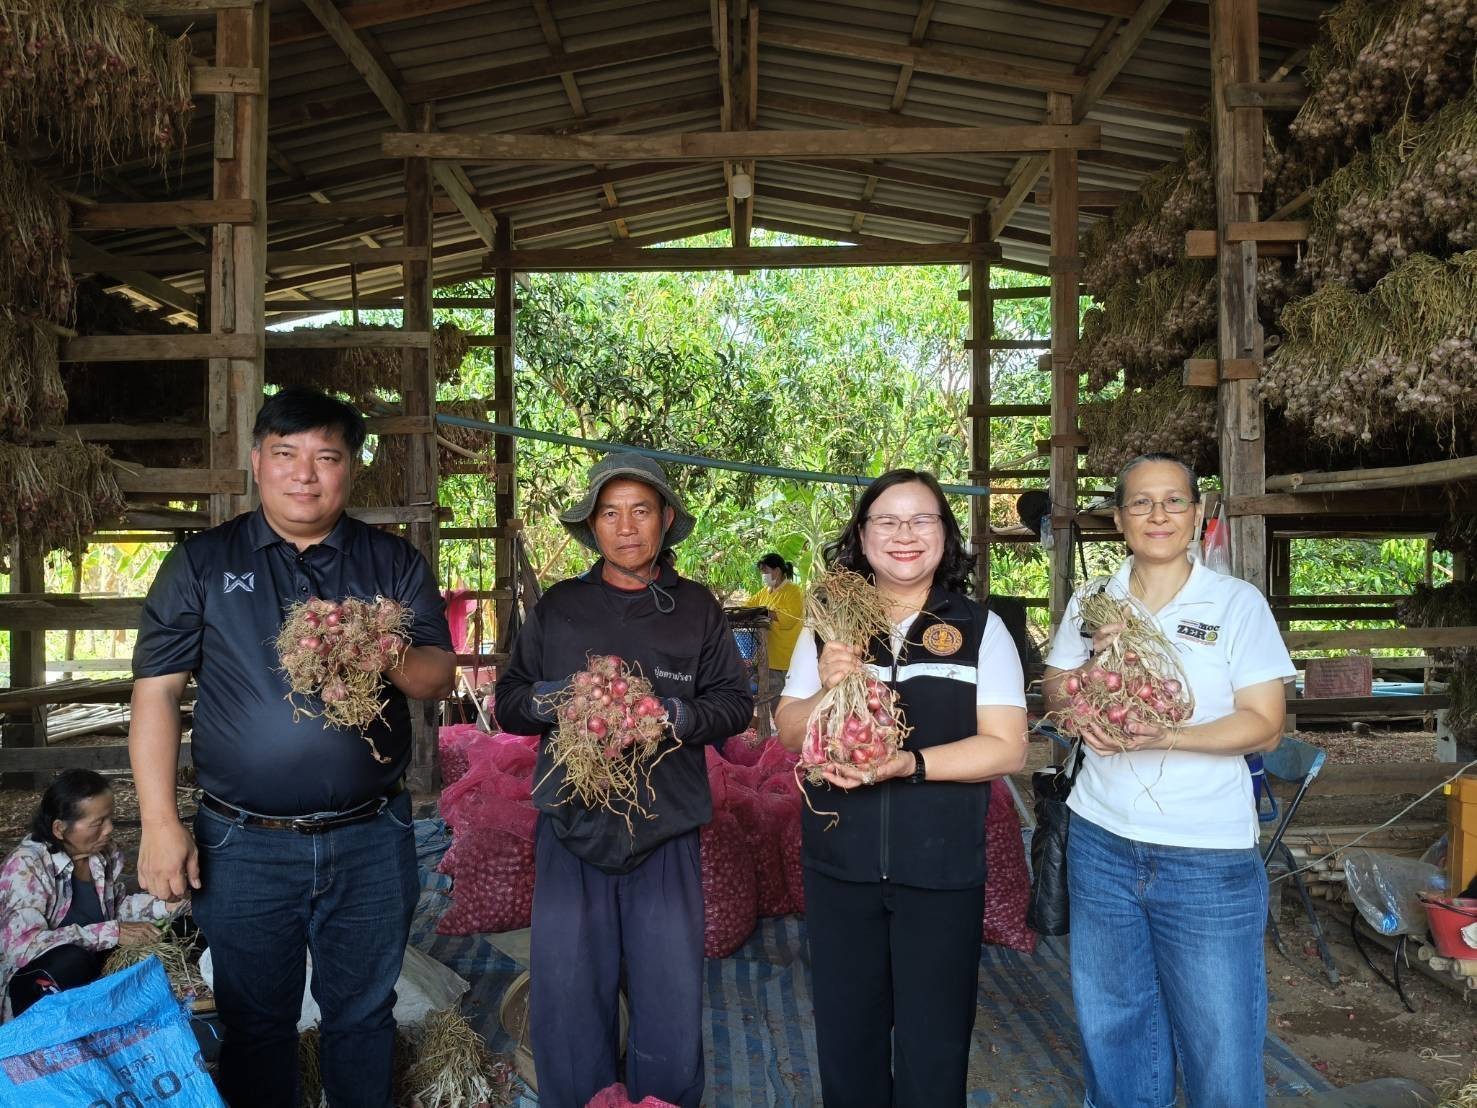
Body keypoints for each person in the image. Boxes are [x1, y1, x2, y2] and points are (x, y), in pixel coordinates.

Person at [128, 386, 455, 1108]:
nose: (305, 475)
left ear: (350, 469)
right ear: (257, 462)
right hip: (242, 842)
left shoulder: (390, 563)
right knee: (255, 1022)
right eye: (286, 455)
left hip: (370, 836)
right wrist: (160, 822)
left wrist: (381, 651)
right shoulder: (203, 564)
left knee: (364, 1015)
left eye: (326, 457)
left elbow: (436, 675)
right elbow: (156, 694)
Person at [495, 453, 752, 1108]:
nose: (627, 527)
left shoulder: (696, 609)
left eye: (641, 510)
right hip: (572, 830)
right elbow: (510, 702)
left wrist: (670, 715)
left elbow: (732, 706)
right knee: (570, 1006)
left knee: (668, 1009)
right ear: (592, 525)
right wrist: (564, 698)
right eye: (610, 512)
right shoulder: (559, 607)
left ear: (665, 520)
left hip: (664, 834)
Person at [1041, 453, 1294, 1108]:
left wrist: (1168, 736)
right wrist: (1076, 707)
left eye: (1173, 501)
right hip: (1100, 842)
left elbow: (1264, 725)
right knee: (1114, 1024)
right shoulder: (1093, 603)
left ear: (1196, 512)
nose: (1158, 515)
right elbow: (1055, 683)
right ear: (1119, 518)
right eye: (1141, 503)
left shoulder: (1235, 604)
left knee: (1219, 1039)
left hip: (1205, 858)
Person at [775, 468, 1028, 1108]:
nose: (905, 534)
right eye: (887, 520)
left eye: (922, 519)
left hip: (940, 869)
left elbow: (1007, 745)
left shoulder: (979, 628)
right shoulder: (828, 626)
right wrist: (831, 684)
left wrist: (907, 764)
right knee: (847, 1040)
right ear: (862, 536)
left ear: (945, 534)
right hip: (840, 866)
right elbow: (784, 731)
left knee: (934, 1045)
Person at [0, 769, 178, 1019]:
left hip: (90, 975)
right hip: (35, 989)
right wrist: (111, 933)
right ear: (60, 829)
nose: (109, 829)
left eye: (110, 818)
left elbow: (115, 908)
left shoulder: (101, 855)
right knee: (72, 961)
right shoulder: (26, 867)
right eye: (98, 823)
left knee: (176, 930)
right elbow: (22, 947)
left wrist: (166, 908)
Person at [748, 552, 804, 688]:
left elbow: (789, 619)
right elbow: (748, 607)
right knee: (762, 698)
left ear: (777, 571)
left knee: (778, 701)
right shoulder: (764, 592)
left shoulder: (793, 591)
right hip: (764, 657)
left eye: (765, 571)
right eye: (761, 572)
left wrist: (765, 612)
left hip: (783, 661)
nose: (763, 575)